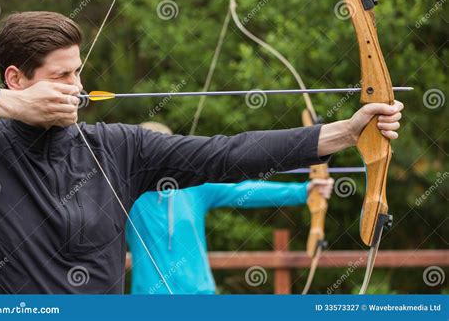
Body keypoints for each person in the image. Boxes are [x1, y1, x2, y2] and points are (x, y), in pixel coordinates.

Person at [0, 11, 403, 294]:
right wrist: (8, 105)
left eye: (79, 72)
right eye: (62, 75)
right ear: (15, 78)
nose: (78, 87)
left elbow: (227, 154)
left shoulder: (120, 147)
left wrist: (343, 133)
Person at [126, 122, 334, 294]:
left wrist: (303, 192)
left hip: (200, 296)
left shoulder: (194, 189)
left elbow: (243, 190)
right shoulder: (128, 196)